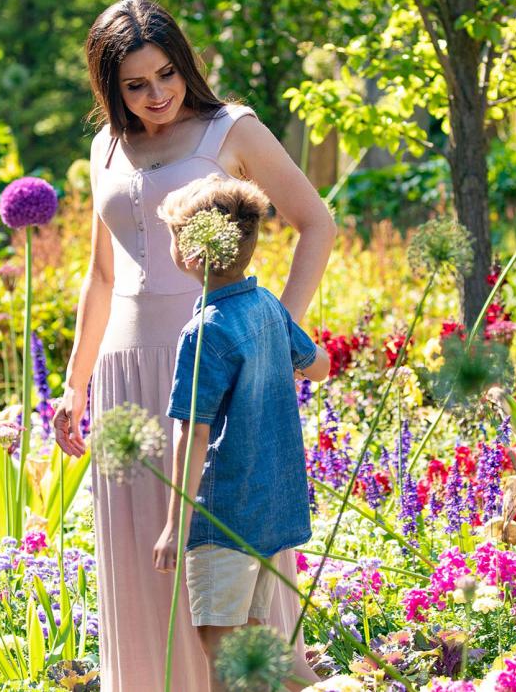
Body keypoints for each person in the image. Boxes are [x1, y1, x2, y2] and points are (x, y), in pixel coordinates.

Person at [52, 0, 336, 691]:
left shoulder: (230, 128)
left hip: (218, 366)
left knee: (226, 553)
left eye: (167, 74)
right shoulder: (105, 146)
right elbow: (100, 271)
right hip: (125, 373)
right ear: (110, 87)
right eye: (136, 84)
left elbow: (315, 222)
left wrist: (273, 336)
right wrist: (74, 383)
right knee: (142, 554)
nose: (156, 95)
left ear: (185, 64)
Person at [151, 175, 329, 691]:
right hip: (269, 506)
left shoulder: (205, 330)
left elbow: (192, 434)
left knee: (221, 647)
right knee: (251, 640)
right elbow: (317, 366)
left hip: (223, 512)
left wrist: (173, 525)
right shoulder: (268, 307)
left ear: (191, 250)